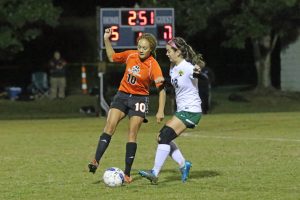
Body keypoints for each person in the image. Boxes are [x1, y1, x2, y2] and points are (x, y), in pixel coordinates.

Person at [88, 27, 166, 184]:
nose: (141, 50)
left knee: (132, 134)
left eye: (144, 48)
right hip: (122, 95)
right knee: (109, 126)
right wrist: (106, 39)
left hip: (139, 100)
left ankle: (128, 174)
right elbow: (111, 56)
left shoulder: (153, 65)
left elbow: (162, 90)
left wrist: (160, 111)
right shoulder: (131, 55)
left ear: (151, 49)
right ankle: (95, 161)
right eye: (139, 47)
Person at [138, 37, 205, 184]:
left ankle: (155, 173)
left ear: (178, 52)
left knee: (164, 136)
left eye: (169, 51)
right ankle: (183, 164)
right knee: (161, 138)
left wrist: (198, 70)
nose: (167, 54)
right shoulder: (173, 68)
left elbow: (197, 71)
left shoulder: (187, 67)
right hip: (183, 110)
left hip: (191, 110)